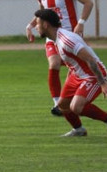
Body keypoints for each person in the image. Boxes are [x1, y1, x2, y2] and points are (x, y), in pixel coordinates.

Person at [26, 0, 93, 116]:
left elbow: (88, 2)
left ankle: (73, 104)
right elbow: (41, 15)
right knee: (54, 63)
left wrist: (81, 23)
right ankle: (57, 103)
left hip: (71, 37)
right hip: (52, 37)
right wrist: (30, 26)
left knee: (76, 71)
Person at [32, 8, 107, 137]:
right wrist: (70, 79)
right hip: (77, 74)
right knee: (62, 105)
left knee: (76, 107)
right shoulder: (56, 39)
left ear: (46, 25)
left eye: (37, 24)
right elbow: (72, 61)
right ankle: (79, 130)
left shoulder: (66, 40)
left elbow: (90, 60)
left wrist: (103, 83)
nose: (36, 27)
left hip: (92, 75)